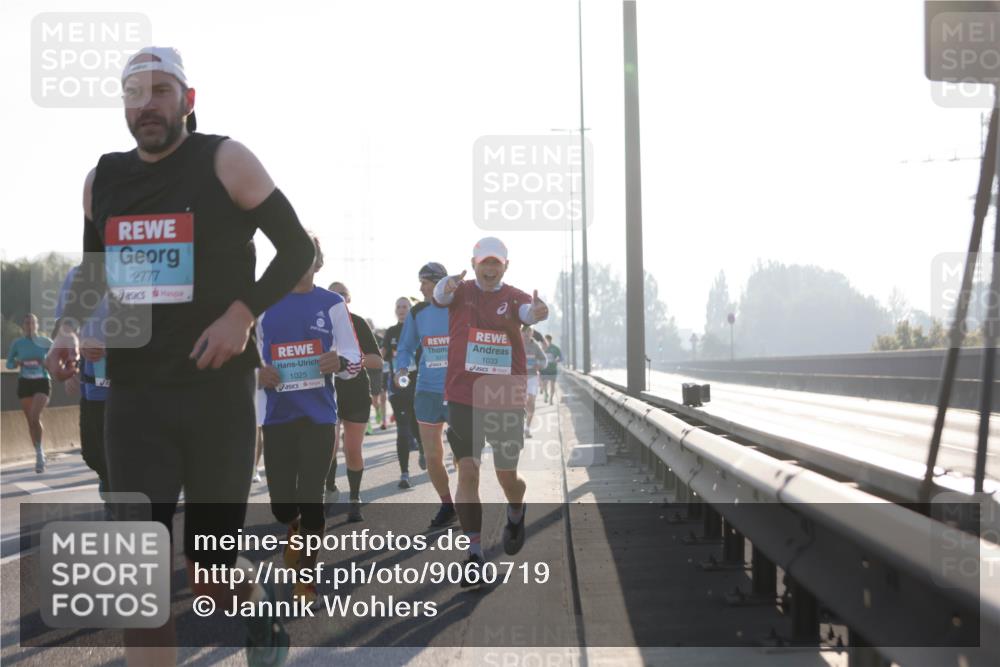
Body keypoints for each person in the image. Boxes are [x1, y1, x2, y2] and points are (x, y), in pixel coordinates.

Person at [48, 47, 315, 667]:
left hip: (216, 394)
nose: (146, 104)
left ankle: (259, 609)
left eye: (161, 90)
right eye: (133, 92)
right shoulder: (102, 180)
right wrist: (65, 330)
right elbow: (93, 271)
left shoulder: (225, 159)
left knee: (211, 577)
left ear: (188, 100)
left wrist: (241, 315)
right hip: (134, 395)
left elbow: (297, 249)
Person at [433, 237, 549, 587]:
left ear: (505, 266)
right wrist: (444, 285)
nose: (490, 268)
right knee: (467, 471)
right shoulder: (459, 291)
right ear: (474, 263)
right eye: (484, 262)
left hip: (504, 396)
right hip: (463, 395)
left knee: (506, 476)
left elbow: (530, 313)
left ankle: (516, 509)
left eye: (496, 263)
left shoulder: (514, 297)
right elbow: (440, 296)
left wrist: (538, 312)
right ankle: (474, 555)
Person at [256, 238, 362, 607]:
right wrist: (258, 373)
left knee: (312, 494)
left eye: (309, 256)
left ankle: (307, 578)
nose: (301, 261)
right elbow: (245, 355)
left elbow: (353, 356)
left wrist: (340, 362)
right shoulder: (263, 303)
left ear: (318, 263)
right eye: (294, 253)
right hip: (277, 416)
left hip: (319, 416)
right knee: (282, 505)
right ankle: (294, 527)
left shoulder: (332, 304)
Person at [394, 262, 456, 527]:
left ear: (439, 283)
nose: (420, 288)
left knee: (465, 457)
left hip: (458, 391)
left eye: (425, 283)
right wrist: (401, 368)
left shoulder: (460, 307)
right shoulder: (418, 311)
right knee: (432, 455)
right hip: (427, 391)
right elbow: (406, 347)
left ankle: (468, 504)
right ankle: (447, 505)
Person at [324, 282, 383, 521]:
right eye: (333, 294)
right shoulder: (320, 322)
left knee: (352, 449)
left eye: (342, 294)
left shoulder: (357, 322)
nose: (338, 298)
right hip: (328, 392)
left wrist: (351, 360)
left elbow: (377, 361)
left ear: (348, 299)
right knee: (329, 446)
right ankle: (330, 489)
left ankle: (355, 499)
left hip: (356, 392)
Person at [52, 265, 110, 491]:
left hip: (133, 381)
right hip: (93, 379)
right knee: (93, 453)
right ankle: (109, 486)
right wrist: (71, 365)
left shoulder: (139, 270)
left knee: (126, 451)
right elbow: (63, 327)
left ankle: (119, 498)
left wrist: (112, 349)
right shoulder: (76, 275)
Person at [8, 314, 53, 473]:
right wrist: (17, 363)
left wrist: (47, 363)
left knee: (34, 416)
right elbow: (9, 363)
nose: (30, 326)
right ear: (23, 326)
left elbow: (57, 358)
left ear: (37, 325)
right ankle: (39, 453)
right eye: (27, 323)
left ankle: (40, 454)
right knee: (31, 421)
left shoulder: (46, 342)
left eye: (32, 322)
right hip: (25, 383)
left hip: (42, 381)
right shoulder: (17, 343)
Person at [384, 297, 421, 487]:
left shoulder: (419, 330)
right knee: (403, 430)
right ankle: (404, 473)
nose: (401, 309)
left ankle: (423, 450)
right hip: (398, 389)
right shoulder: (391, 332)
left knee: (416, 425)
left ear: (411, 309)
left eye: (405, 306)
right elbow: (385, 357)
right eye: (398, 306)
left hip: (419, 386)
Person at [521, 325, 549, 438]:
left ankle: (527, 428)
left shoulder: (535, 345)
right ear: (521, 333)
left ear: (532, 333)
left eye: (529, 332)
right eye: (525, 332)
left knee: (531, 402)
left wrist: (539, 364)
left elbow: (544, 360)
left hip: (532, 377)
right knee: (520, 403)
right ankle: (520, 425)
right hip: (519, 378)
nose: (527, 334)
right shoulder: (516, 343)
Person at [539, 334, 562, 404]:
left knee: (552, 385)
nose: (545, 341)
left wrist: (557, 360)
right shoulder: (541, 348)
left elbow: (561, 358)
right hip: (544, 369)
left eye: (547, 340)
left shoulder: (555, 348)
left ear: (550, 340)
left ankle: (551, 399)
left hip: (552, 369)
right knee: (544, 383)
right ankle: (546, 394)